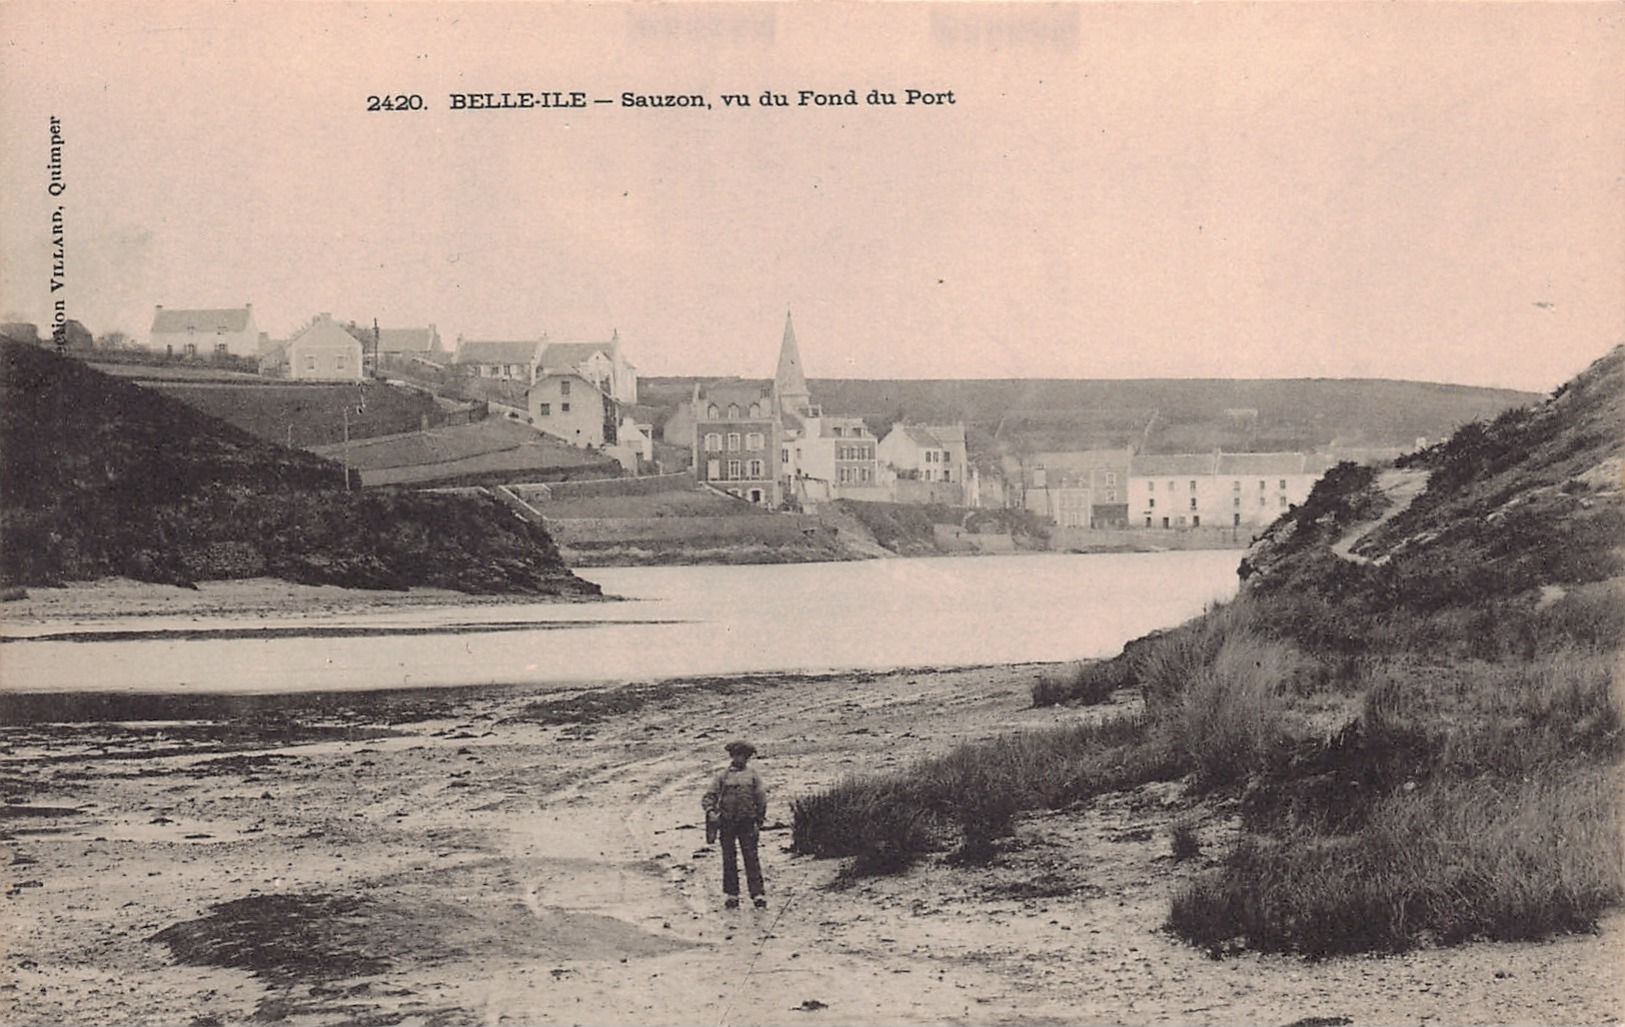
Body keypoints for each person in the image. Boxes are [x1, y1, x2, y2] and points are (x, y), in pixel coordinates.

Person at [702, 740, 768, 909]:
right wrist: (711, 812)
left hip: (747, 822)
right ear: (732, 756)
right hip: (727, 823)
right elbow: (709, 796)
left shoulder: (753, 775)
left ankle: (758, 894)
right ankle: (732, 895)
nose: (740, 759)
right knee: (729, 858)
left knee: (751, 858)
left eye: (744, 756)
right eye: (737, 755)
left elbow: (761, 799)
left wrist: (759, 820)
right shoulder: (722, 776)